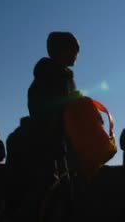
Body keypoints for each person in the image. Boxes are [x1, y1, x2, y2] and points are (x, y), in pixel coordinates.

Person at [26, 32, 81, 221]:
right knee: (50, 200)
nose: (77, 56)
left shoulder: (56, 77)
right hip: (49, 147)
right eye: (74, 51)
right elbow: (52, 111)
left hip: (58, 146)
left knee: (59, 200)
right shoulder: (53, 77)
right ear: (61, 51)